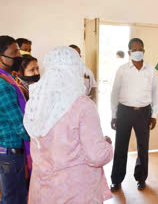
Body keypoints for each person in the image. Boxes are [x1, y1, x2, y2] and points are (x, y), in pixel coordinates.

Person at [24, 46, 113, 204]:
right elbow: (96, 156)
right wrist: (106, 145)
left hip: (43, 187)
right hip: (75, 191)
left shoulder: (37, 102)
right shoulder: (82, 105)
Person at [110, 38, 158, 191]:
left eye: (140, 49)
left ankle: (141, 178)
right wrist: (114, 115)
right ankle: (116, 180)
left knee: (143, 148)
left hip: (144, 113)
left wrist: (154, 114)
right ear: (129, 52)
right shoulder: (122, 70)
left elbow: (154, 92)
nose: (138, 51)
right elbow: (114, 94)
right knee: (120, 147)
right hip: (124, 112)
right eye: (134, 49)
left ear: (144, 51)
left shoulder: (150, 69)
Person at [0, 35, 30, 204]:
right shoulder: (2, 85)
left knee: (16, 195)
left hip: (7, 151)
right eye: (15, 52)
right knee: (12, 198)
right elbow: (20, 125)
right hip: (9, 153)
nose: (19, 55)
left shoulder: (3, 79)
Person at [16, 54, 40, 184]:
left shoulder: (35, 88)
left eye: (37, 69)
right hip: (24, 139)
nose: (36, 73)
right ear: (20, 72)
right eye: (32, 70)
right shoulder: (19, 90)